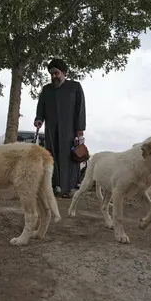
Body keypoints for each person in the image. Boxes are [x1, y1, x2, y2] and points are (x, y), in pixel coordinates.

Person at [34, 58, 86, 198]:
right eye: (51, 74)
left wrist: (79, 129)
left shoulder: (75, 87)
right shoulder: (46, 89)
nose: (54, 76)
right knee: (52, 157)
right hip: (51, 130)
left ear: (63, 72)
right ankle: (54, 186)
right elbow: (41, 107)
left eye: (56, 73)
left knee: (69, 158)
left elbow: (80, 108)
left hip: (70, 131)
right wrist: (39, 119)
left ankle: (67, 189)